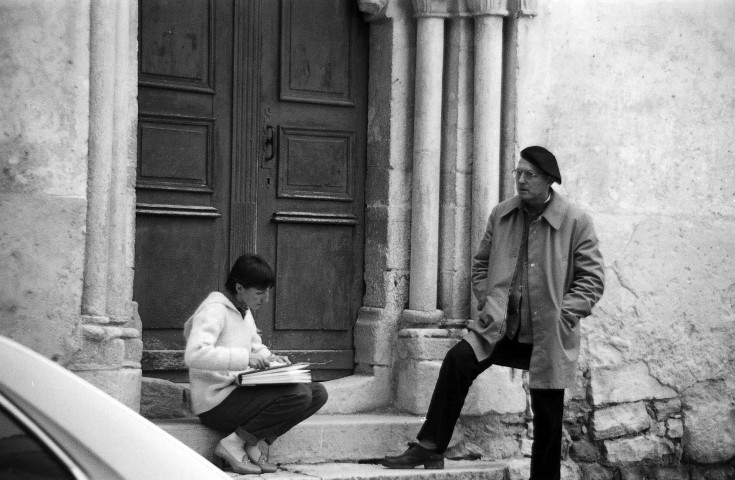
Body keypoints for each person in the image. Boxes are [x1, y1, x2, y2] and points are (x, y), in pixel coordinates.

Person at [381, 146, 605, 480]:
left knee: (548, 410)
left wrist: (564, 313)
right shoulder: (502, 213)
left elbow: (592, 280)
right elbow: (481, 263)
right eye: (518, 173)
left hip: (548, 332)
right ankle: (429, 446)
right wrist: (489, 301)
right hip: (500, 327)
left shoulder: (576, 221)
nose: (521, 180)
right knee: (458, 361)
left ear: (548, 181)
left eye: (529, 175)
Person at [184, 253, 328, 475]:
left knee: (317, 392)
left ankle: (252, 440)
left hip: (237, 392)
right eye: (260, 292)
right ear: (240, 288)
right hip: (215, 403)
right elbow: (195, 354)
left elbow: (255, 346)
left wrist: (271, 359)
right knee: (298, 395)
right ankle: (232, 444)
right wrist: (244, 358)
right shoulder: (214, 309)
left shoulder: (244, 310)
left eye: (268, 291)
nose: (266, 299)